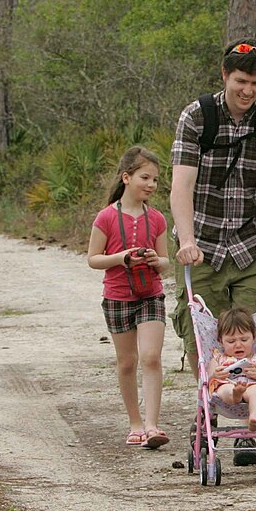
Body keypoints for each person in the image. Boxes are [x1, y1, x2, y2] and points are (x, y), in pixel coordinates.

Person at [170, 38, 256, 466]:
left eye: (255, 83)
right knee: (199, 331)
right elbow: (181, 183)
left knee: (255, 331)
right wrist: (186, 240)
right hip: (200, 242)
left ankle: (250, 424)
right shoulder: (196, 116)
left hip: (247, 242)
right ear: (225, 76)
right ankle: (210, 410)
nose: (248, 91)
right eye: (241, 81)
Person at [87, 146, 171, 450]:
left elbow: (166, 261)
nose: (151, 184)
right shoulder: (106, 217)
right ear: (126, 177)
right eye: (145, 177)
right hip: (118, 296)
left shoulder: (158, 219)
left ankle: (152, 425)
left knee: (151, 357)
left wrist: (154, 261)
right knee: (127, 362)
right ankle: (135, 422)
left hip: (151, 294)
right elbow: (93, 259)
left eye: (155, 180)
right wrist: (121, 257)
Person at [208, 307, 256, 432]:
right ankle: (236, 395)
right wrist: (216, 375)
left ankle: (255, 418)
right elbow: (208, 380)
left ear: (253, 338)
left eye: (244, 340)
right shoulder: (218, 358)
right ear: (221, 342)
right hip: (228, 385)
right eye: (231, 341)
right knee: (225, 390)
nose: (238, 345)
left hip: (251, 386)